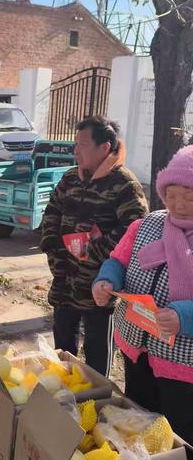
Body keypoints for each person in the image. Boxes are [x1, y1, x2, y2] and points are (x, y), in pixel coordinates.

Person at [92, 146, 193, 446]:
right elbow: (118, 260)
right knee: (137, 421)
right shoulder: (147, 224)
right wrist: (105, 280)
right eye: (171, 195)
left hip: (182, 367)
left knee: (177, 436)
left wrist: (183, 316)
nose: (179, 204)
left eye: (189, 195)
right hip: (137, 350)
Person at [40, 116, 148, 376]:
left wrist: (92, 254)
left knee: (97, 348)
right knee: (63, 345)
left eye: (82, 144)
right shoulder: (69, 179)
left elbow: (135, 230)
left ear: (105, 147)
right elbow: (50, 216)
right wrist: (54, 253)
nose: (75, 150)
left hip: (99, 284)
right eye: (75, 144)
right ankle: (64, 393)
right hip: (64, 277)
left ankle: (96, 402)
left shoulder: (124, 183)